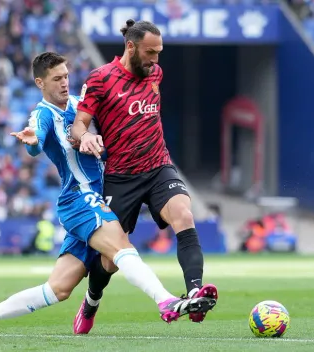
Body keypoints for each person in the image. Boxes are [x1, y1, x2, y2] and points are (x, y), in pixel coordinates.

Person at [0, 52, 215, 336]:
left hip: (105, 193)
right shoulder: (42, 114)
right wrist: (31, 142)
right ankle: (166, 302)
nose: (65, 83)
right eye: (56, 79)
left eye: (66, 76)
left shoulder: (81, 105)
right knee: (121, 247)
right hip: (80, 198)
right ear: (40, 83)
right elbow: (35, 139)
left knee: (58, 289)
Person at [70, 19, 218, 334]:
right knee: (110, 258)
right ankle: (92, 301)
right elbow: (78, 125)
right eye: (150, 52)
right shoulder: (101, 79)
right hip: (121, 177)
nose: (155, 60)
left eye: (159, 53)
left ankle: (194, 294)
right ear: (131, 46)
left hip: (158, 166)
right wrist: (85, 137)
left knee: (184, 214)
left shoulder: (155, 74)